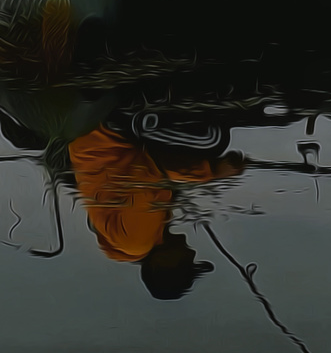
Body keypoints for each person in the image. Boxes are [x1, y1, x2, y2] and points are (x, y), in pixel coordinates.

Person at [66, 113, 244, 299]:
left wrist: (211, 171)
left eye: (185, 263)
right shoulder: (141, 238)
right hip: (108, 142)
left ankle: (141, 112)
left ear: (161, 264)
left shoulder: (137, 241)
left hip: (108, 135)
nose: (192, 253)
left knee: (212, 140)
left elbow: (148, 168)